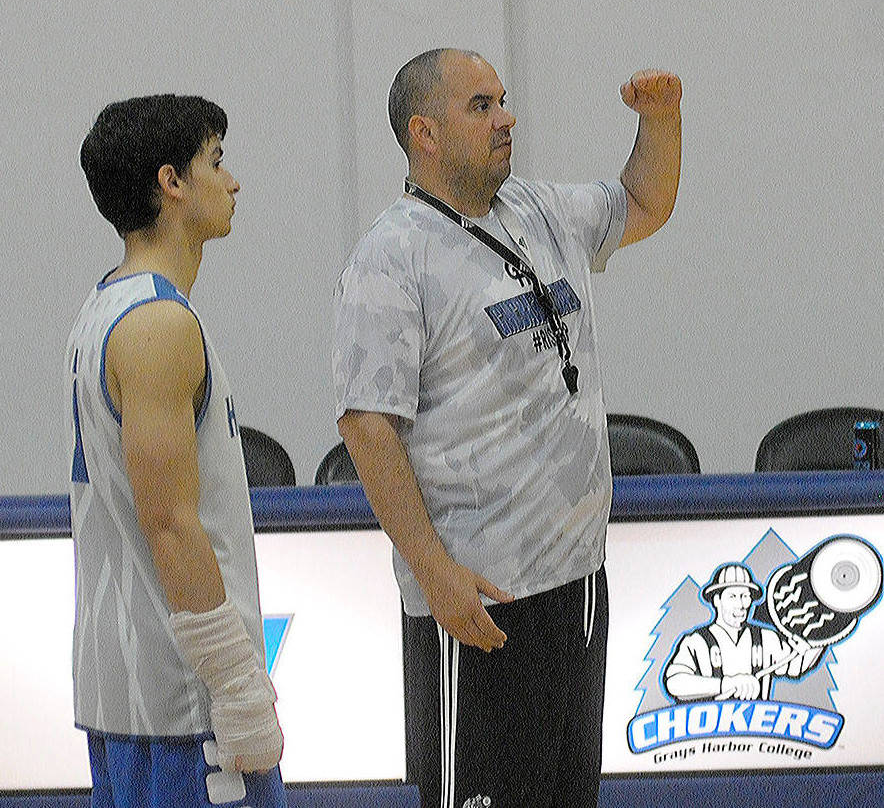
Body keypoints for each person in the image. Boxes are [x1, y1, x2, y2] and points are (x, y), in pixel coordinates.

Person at [333, 48, 681, 807]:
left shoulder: (539, 209)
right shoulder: (392, 258)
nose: (507, 118)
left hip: (577, 580)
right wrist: (433, 570)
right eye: (482, 106)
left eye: (502, 101)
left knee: (565, 794)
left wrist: (660, 121)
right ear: (425, 133)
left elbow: (643, 204)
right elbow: (367, 426)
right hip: (482, 595)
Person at [68, 94, 284, 808]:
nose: (234, 181)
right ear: (172, 183)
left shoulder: (106, 306)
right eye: (216, 162)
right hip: (180, 700)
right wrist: (237, 685)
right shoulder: (158, 322)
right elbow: (169, 522)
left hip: (132, 690)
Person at [664, 563, 824, 702]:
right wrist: (727, 684)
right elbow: (675, 683)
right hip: (709, 735)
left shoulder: (766, 638)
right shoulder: (697, 642)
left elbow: (796, 667)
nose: (741, 605)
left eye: (745, 596)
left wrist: (817, 640)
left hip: (758, 734)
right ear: (716, 600)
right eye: (733, 596)